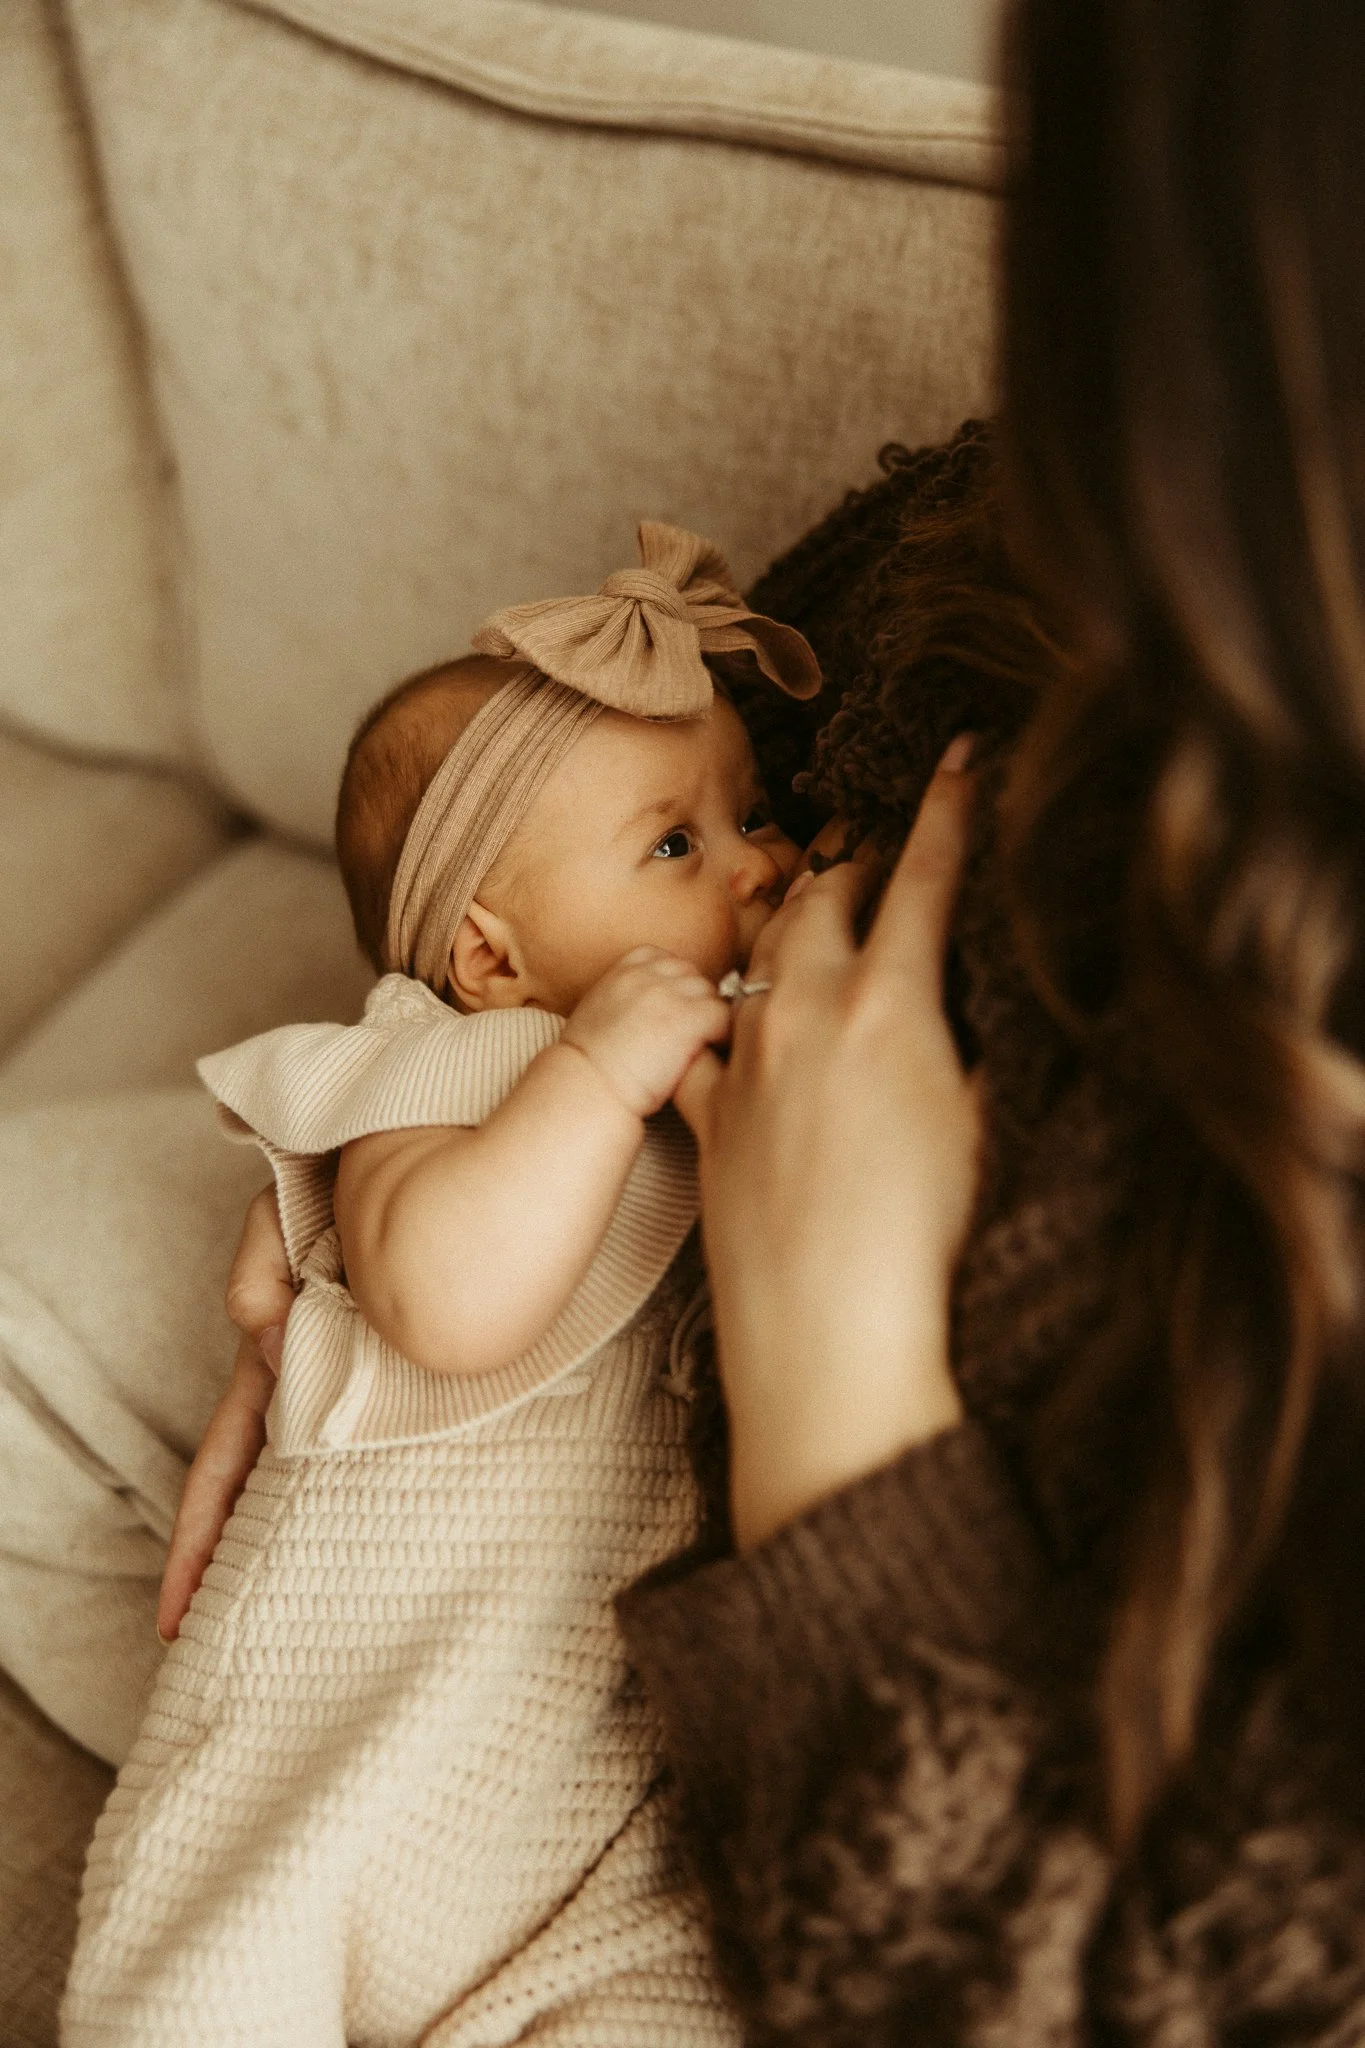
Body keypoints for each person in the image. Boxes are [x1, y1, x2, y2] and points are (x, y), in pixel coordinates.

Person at [172, 0, 1365, 2034]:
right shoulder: (1045, 536)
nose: (755, 856)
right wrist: (385, 1183)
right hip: (484, 1428)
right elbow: (653, 765)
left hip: (723, 1761)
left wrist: (840, 1417)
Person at [62, 523, 820, 2048]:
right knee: (197, 1999)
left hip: (592, 1815)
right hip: (331, 1737)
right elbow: (445, 1303)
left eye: (752, 816)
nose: (757, 859)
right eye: (676, 843)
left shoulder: (717, 1029)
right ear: (486, 956)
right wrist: (599, 1071)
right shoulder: (435, 1067)